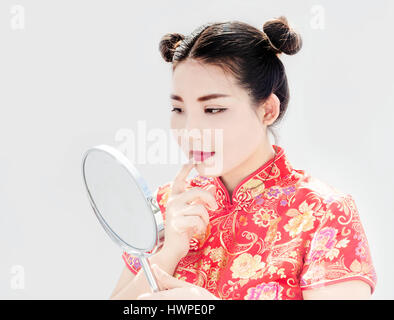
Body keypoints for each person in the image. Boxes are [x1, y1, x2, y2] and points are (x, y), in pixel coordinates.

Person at [109, 16, 377, 300]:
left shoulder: (323, 213)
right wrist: (169, 252)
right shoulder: (168, 206)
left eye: (213, 110)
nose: (190, 131)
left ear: (267, 111)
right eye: (178, 109)